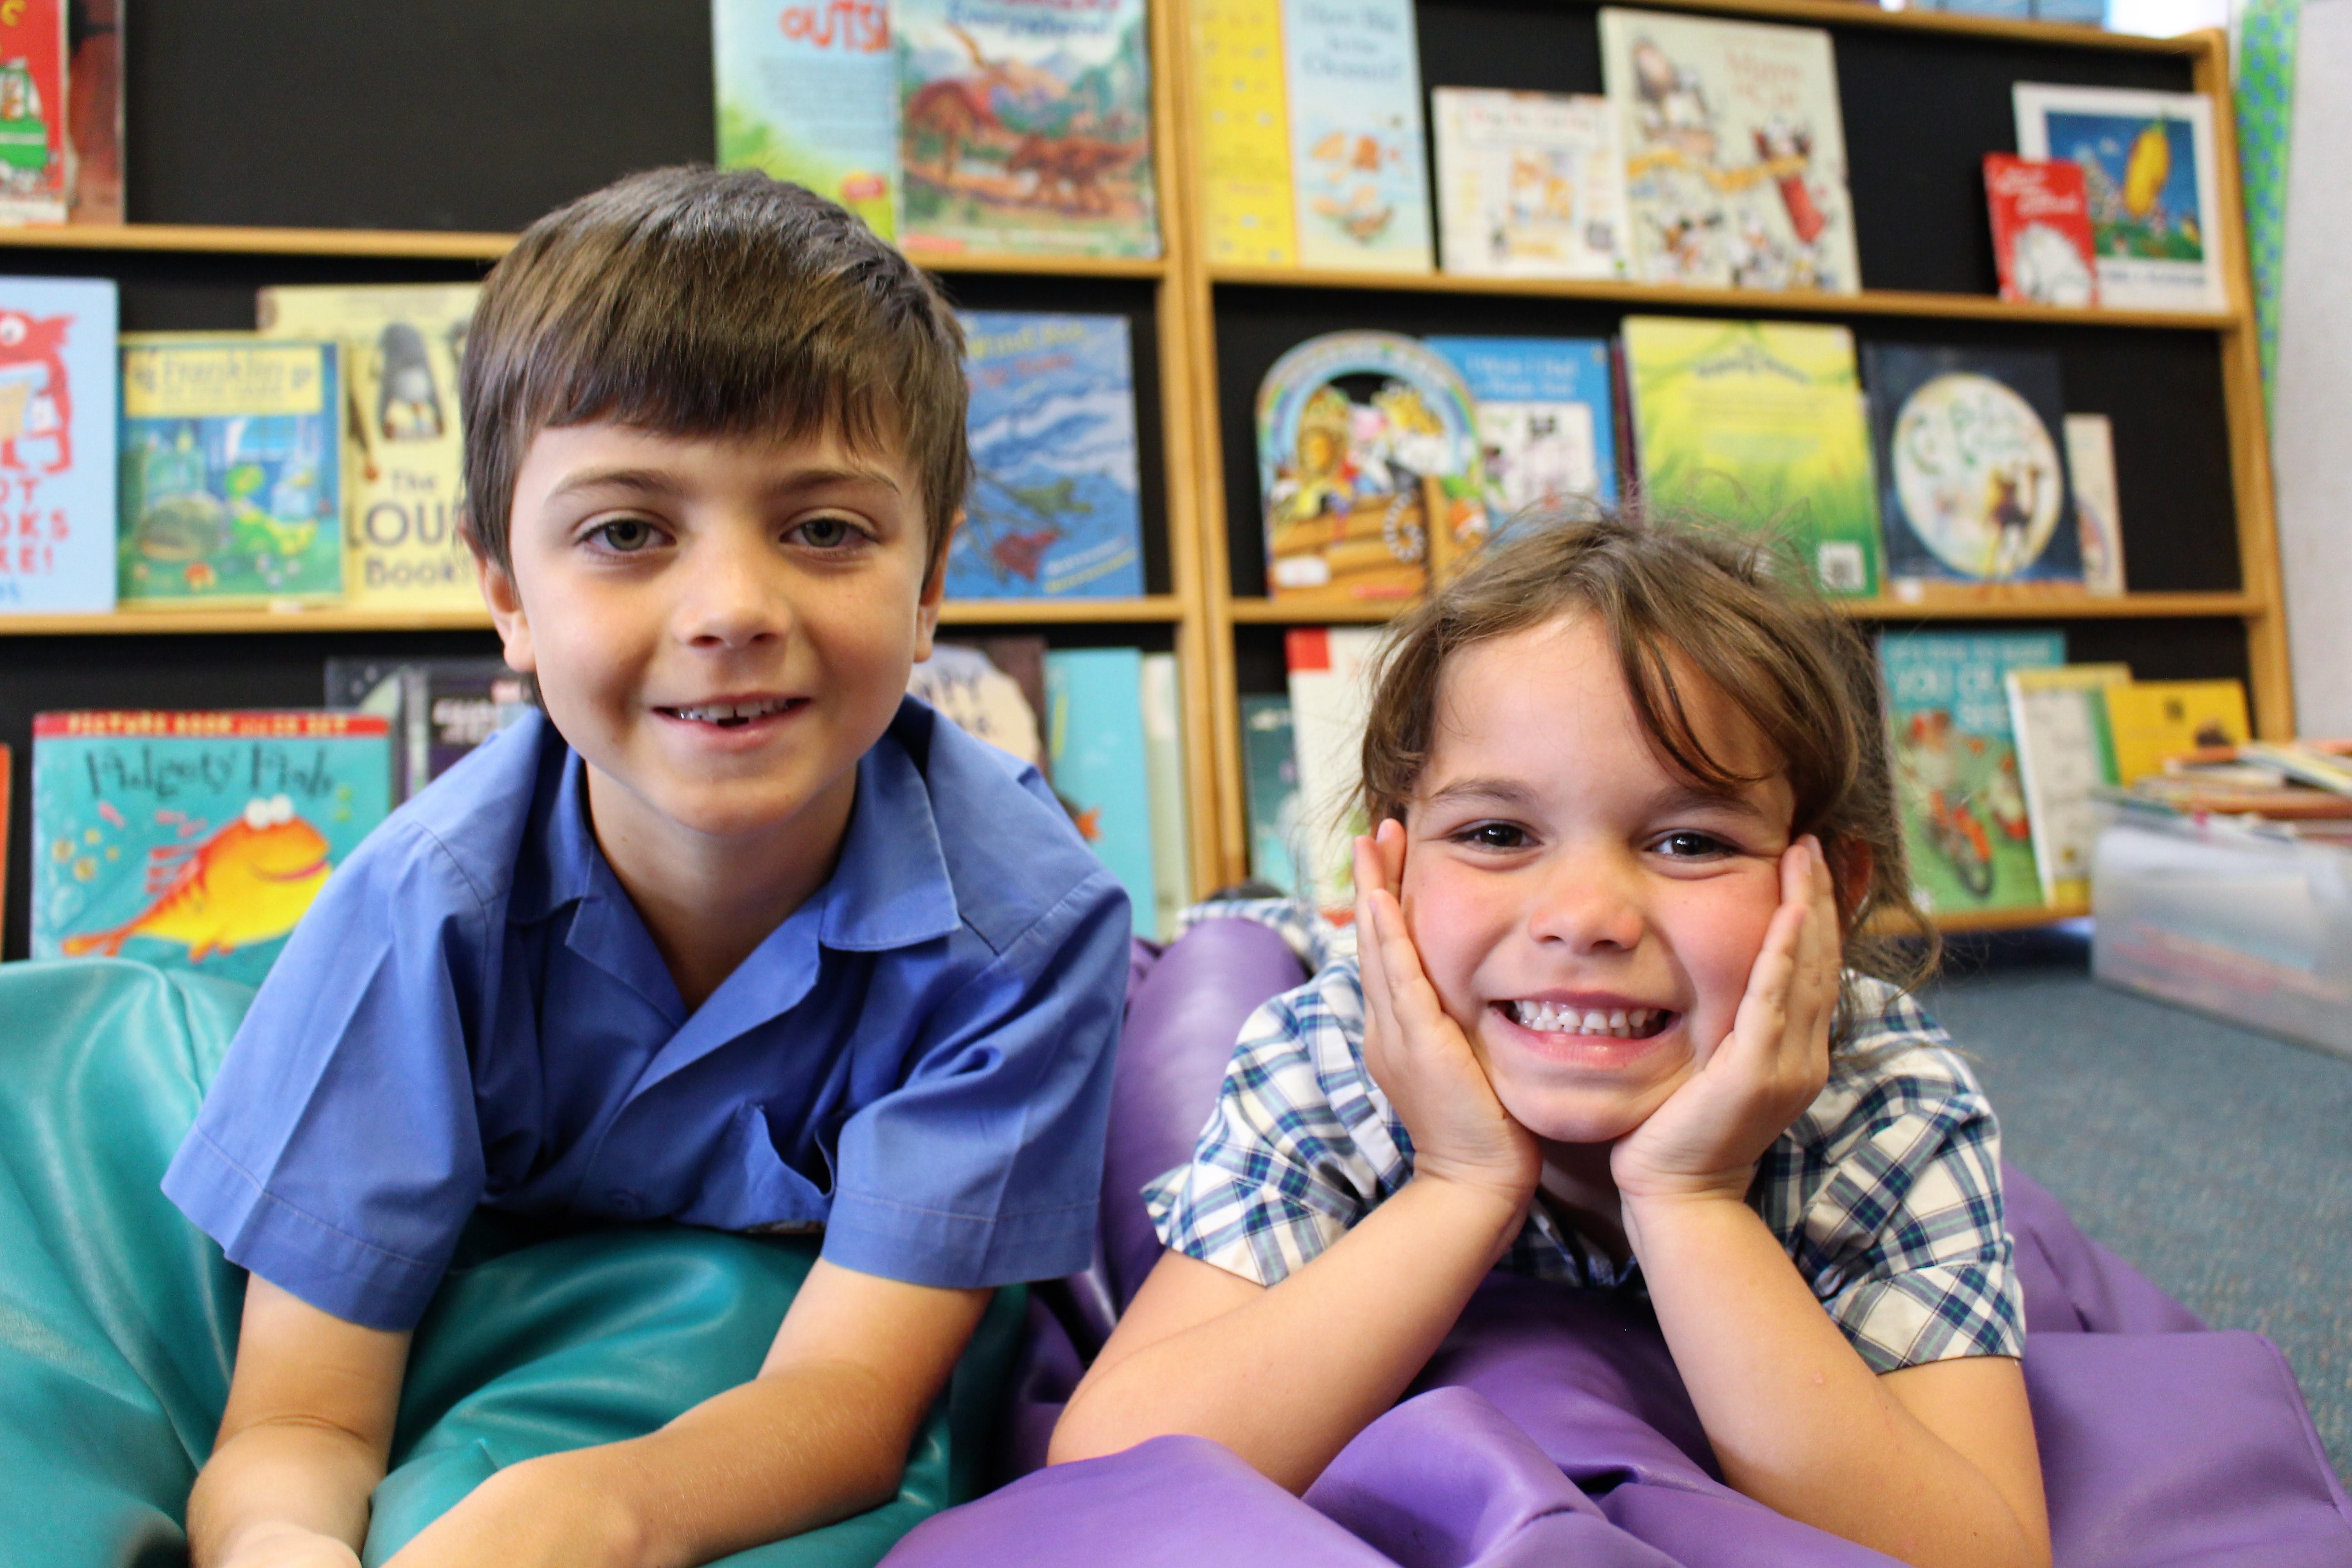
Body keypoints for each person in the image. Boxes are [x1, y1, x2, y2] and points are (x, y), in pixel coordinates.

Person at [164, 168, 1131, 1568]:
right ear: (506, 593)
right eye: (627, 533)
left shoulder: (1028, 927)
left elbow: (850, 1401)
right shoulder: (416, 910)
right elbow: (297, 1427)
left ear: (929, 591)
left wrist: (593, 1512)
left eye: (825, 530)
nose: (733, 608)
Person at [1053, 513, 2053, 1568]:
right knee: (1227, 952)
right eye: (1497, 834)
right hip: (1349, 977)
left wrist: (1690, 1197)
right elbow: (1110, 1467)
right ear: (1389, 875)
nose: (1584, 915)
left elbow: (1983, 1554)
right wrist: (1459, 1183)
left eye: (1688, 842)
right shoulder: (1331, 1049)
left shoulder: (1886, 1096)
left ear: (1834, 896)